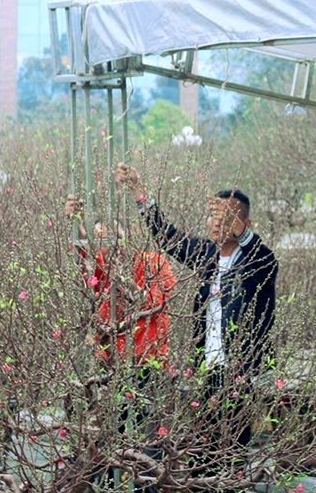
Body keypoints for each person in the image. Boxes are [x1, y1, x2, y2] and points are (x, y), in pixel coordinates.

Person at [114, 163, 278, 452]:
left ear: (244, 226)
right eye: (214, 217)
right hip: (208, 369)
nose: (217, 223)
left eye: (226, 219)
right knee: (203, 448)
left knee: (232, 450)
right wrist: (139, 191)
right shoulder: (206, 254)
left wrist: (236, 226)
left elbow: (262, 256)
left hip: (242, 372)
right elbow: (167, 236)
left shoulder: (259, 262)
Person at [65, 195, 175, 366]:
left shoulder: (154, 263)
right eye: (101, 240)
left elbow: (155, 304)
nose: (112, 246)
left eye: (117, 238)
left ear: (128, 239)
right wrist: (76, 224)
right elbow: (81, 261)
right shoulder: (101, 269)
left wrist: (124, 280)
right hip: (109, 364)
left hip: (148, 363)